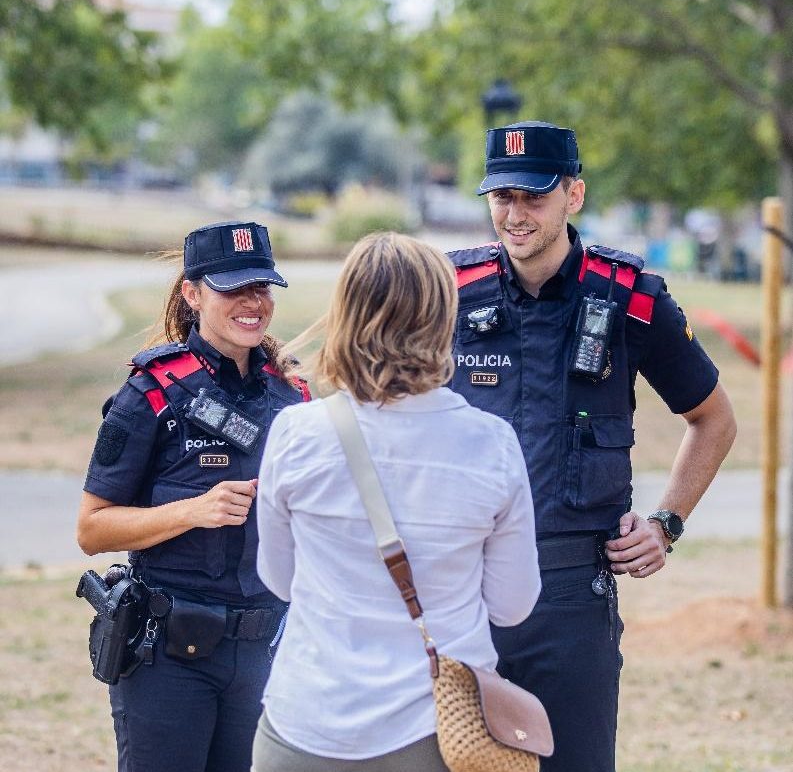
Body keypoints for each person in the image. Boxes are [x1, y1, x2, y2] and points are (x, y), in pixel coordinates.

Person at [447, 121, 737, 772]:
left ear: (572, 195)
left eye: (533, 197)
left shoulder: (629, 297)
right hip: (462, 591)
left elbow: (712, 419)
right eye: (501, 198)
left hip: (572, 596)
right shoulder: (445, 294)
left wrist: (665, 522)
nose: (514, 214)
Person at [252, 232, 541, 771]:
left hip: (306, 722)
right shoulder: (491, 444)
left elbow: (278, 579)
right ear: (441, 320)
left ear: (345, 315)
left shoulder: (296, 432)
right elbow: (512, 605)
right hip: (437, 730)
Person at [76, 220, 310, 772]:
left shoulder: (293, 396)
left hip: (263, 653)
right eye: (233, 288)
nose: (252, 303)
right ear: (192, 293)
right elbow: (91, 528)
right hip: (168, 659)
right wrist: (192, 511)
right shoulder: (149, 393)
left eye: (262, 287)